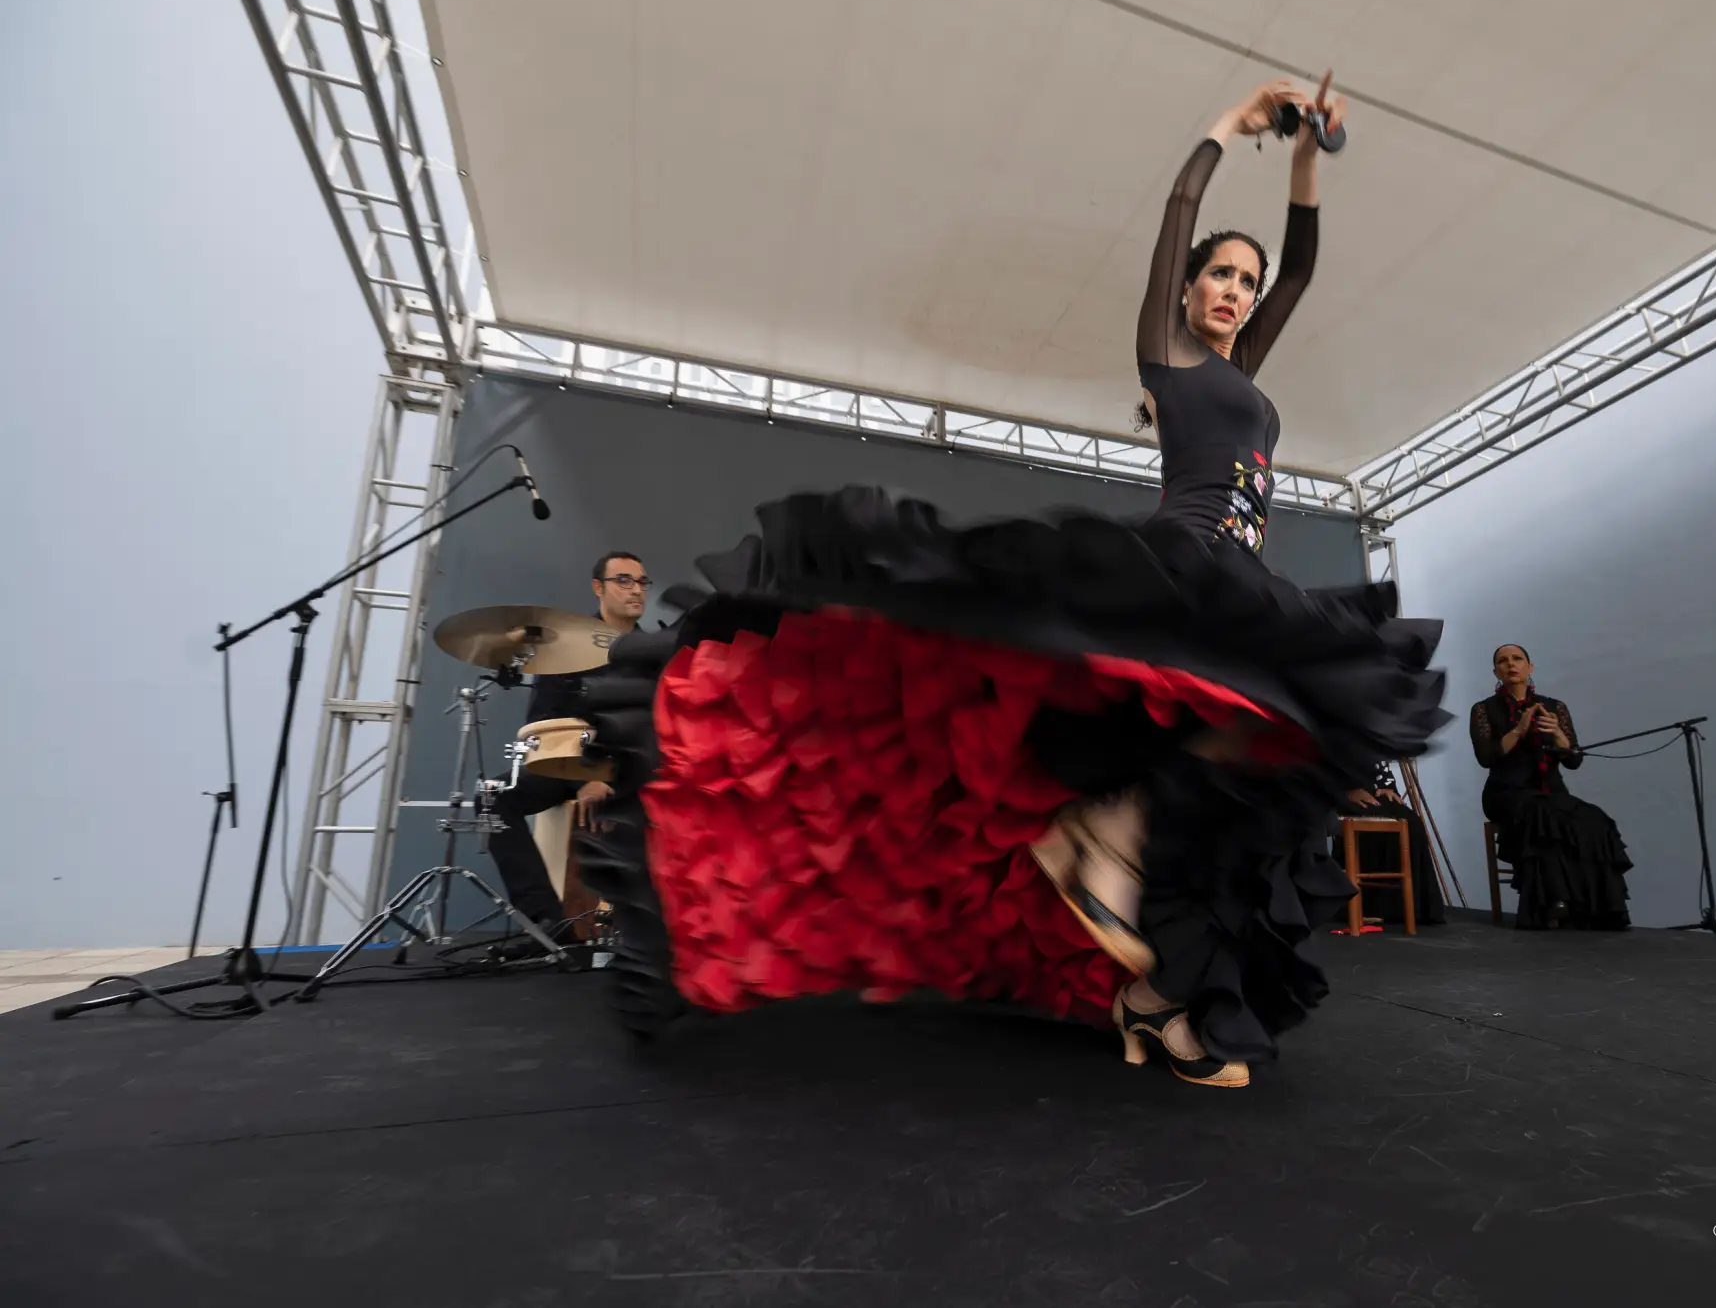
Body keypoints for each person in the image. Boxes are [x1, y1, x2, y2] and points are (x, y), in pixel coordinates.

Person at [574, 74, 1452, 1088]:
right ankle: (1106, 839)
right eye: (1219, 274)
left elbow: (1301, 268)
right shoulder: (1169, 357)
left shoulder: (1244, 369)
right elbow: (1175, 218)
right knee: (1284, 712)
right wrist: (1230, 127)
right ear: (1186, 291)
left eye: (1244, 283)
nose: (1235, 290)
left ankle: (1157, 1001)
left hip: (1242, 577)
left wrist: (1305, 158)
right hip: (1189, 558)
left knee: (1264, 769)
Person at [484, 551, 648, 937]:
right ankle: (545, 919)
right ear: (598, 588)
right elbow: (541, 723)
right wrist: (584, 778)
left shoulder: (656, 652)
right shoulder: (566, 647)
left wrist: (614, 775)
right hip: (572, 768)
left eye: (642, 582)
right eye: (624, 580)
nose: (635, 590)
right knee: (493, 798)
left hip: (634, 767)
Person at [1470, 644, 1632, 930]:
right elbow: (1486, 757)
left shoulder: (1554, 707)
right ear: (1496, 671)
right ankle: (1552, 900)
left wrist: (1557, 733)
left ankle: (1592, 906)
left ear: (1530, 668)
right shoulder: (1484, 709)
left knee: (1594, 819)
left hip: (1550, 792)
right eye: (1503, 661)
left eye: (1517, 659)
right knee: (1541, 814)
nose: (1511, 665)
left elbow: (1573, 762)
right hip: (1505, 792)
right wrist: (1519, 730)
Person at [1332, 763, 1447, 927]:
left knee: (1410, 820)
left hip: (1371, 795)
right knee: (1377, 819)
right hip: (1337, 798)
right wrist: (1344, 793)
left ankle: (1413, 907)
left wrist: (1388, 789)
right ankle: (1370, 905)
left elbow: (1380, 768)